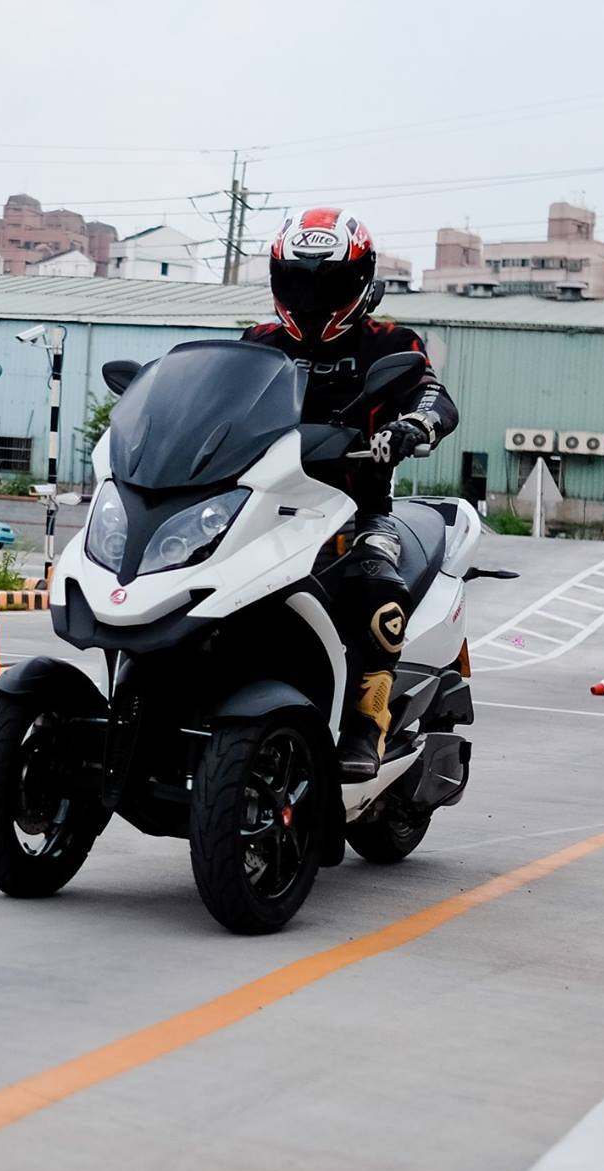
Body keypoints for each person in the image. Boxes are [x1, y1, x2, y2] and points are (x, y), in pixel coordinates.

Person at [242, 207, 460, 780]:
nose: (310, 296)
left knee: (375, 585)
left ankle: (368, 721)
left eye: (327, 283)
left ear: (360, 282)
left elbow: (436, 398)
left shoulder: (388, 341)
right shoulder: (258, 343)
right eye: (297, 281)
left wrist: (411, 427)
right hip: (260, 511)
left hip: (354, 511)